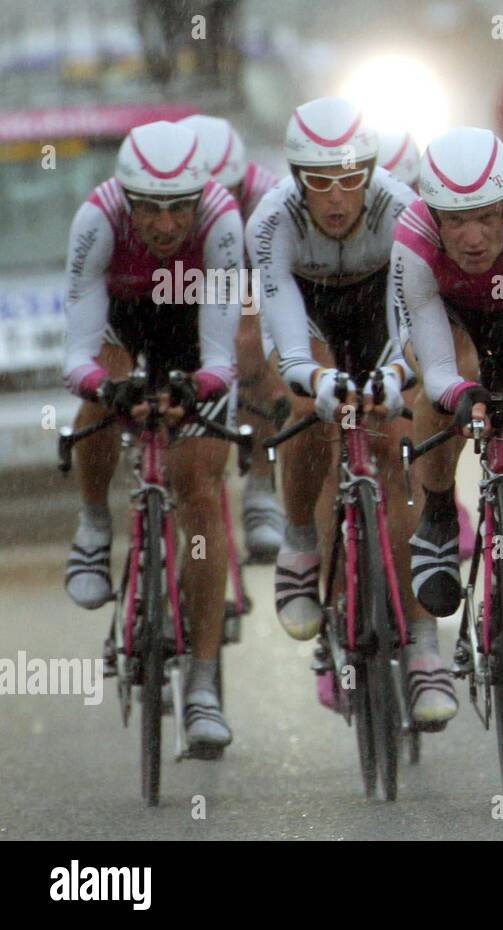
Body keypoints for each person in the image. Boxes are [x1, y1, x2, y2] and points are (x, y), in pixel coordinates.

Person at [248, 97, 457, 727]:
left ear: (368, 174)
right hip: (310, 316)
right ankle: (301, 541)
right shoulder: (271, 219)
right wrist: (312, 378)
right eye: (319, 182)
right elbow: (286, 342)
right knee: (307, 407)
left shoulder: (402, 209)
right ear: (295, 178)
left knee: (398, 438)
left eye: (348, 179)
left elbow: (412, 317)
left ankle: (424, 648)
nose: (336, 197)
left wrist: (397, 376)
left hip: (380, 312)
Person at [62, 120, 244, 750]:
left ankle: (201, 682)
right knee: (97, 404)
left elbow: (222, 356)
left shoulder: (221, 221)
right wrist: (109, 391)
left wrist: (198, 389)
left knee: (199, 488)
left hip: (193, 335)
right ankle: (93, 526)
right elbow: (77, 355)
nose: (165, 225)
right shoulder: (97, 220)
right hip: (122, 327)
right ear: (125, 198)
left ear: (199, 197)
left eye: (177, 209)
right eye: (149, 209)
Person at [392, 127, 503, 715]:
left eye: (486, 218)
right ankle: (438, 517)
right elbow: (436, 363)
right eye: (454, 220)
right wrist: (462, 395)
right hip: (455, 323)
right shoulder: (412, 236)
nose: (470, 237)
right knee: (436, 393)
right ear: (432, 214)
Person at [181, 113, 287, 561]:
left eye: (231, 196)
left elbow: (267, 289)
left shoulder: (270, 199)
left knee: (252, 350)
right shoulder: (164, 202)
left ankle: (261, 489)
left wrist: (247, 343)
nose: (222, 209)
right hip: (182, 280)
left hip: (251, 278)